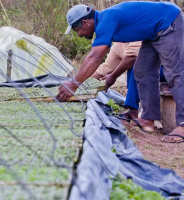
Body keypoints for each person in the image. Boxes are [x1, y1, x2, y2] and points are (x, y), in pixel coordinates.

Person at [56, 2, 184, 143]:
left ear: (85, 23)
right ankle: (148, 119)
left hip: (168, 23)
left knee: (176, 73)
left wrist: (74, 84)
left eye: (76, 30)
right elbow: (96, 58)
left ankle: (182, 125)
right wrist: (77, 81)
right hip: (152, 34)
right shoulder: (104, 22)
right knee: (142, 71)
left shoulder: (106, 20)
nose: (79, 35)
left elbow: (95, 57)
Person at [92, 42, 166, 120]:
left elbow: (132, 57)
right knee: (136, 67)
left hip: (164, 70)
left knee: (136, 65)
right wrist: (83, 83)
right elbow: (105, 68)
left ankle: (133, 110)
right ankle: (133, 109)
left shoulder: (137, 35)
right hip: (147, 71)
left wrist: (113, 76)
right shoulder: (118, 45)